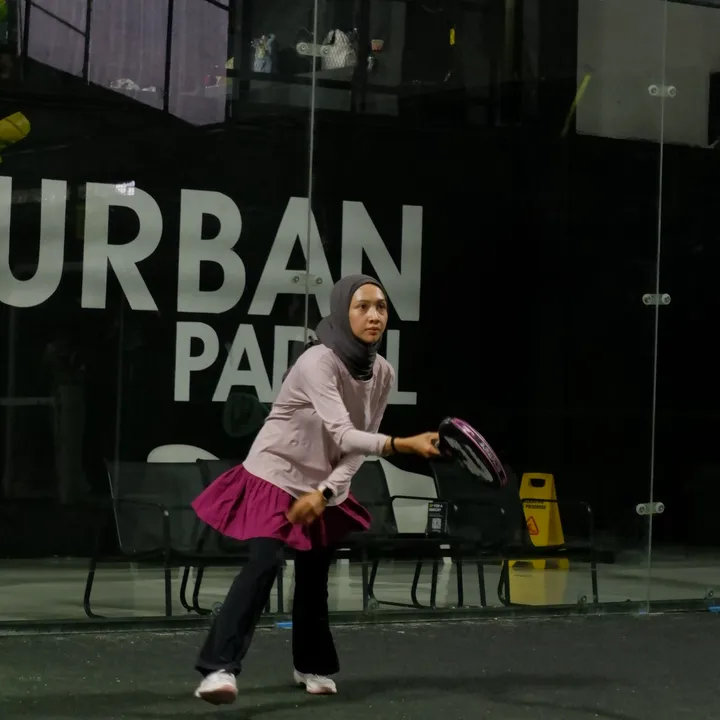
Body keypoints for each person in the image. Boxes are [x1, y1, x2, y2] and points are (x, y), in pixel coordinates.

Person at [191, 274, 440, 705]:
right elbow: (344, 433)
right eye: (362, 306)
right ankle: (219, 668)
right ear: (342, 311)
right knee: (264, 563)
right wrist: (401, 445)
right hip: (275, 471)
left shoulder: (383, 373)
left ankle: (311, 663)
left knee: (314, 573)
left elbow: (356, 449)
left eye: (381, 307)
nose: (374, 316)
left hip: (322, 482)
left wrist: (325, 493)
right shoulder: (317, 361)